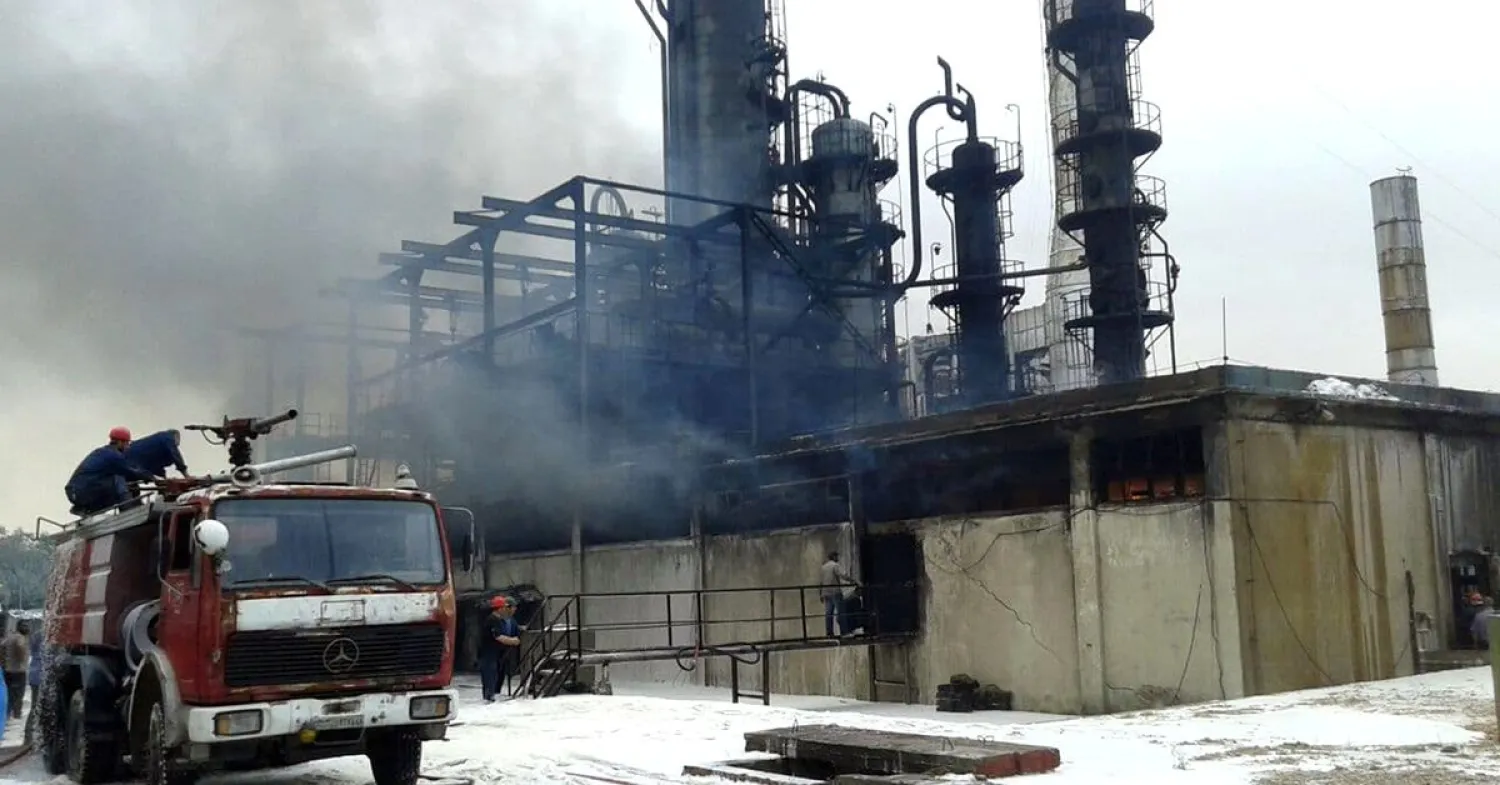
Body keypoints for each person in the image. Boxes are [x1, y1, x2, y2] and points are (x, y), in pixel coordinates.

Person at [64, 427, 159, 516]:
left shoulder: (103, 452)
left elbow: (130, 470)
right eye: (127, 443)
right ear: (120, 442)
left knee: (126, 485)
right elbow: (130, 471)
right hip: (82, 491)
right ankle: (128, 512)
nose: (128, 447)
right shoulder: (113, 455)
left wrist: (145, 476)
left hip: (75, 492)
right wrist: (151, 478)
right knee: (119, 480)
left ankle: (87, 509)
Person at [477, 596, 522, 703]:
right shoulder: (492, 620)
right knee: (490, 674)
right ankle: (489, 696)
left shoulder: (499, 620)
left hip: (497, 653)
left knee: (497, 674)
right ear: (500, 608)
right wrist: (513, 641)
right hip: (488, 653)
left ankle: (493, 694)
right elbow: (498, 636)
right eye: (504, 607)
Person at [820, 552, 858, 639]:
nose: (838, 558)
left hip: (826, 592)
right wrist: (853, 581)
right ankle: (844, 632)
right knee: (841, 612)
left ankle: (829, 633)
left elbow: (821, 582)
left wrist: (821, 594)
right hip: (835, 592)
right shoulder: (835, 565)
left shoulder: (823, 567)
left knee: (829, 613)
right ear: (833, 557)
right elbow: (842, 575)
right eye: (837, 556)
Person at [124, 429, 190, 479]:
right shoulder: (168, 437)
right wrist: (186, 475)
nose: (177, 445)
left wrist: (164, 478)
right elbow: (175, 455)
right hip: (133, 461)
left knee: (131, 488)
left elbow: (156, 466)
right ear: (176, 436)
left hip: (129, 461)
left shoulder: (157, 444)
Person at [2, 622, 29, 721]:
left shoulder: (10, 637)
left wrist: (3, 661)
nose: (27, 628)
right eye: (25, 626)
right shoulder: (20, 637)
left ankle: (7, 714)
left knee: (9, 693)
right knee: (18, 694)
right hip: (18, 671)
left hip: (8, 670)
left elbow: (2, 646)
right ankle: (16, 715)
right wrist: (21, 659)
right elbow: (20, 646)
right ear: (20, 627)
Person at [24, 625, 42, 745]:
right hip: (40, 674)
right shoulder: (46, 635)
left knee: (35, 706)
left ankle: (29, 736)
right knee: (36, 707)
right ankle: (29, 737)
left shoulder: (37, 634)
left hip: (35, 673)